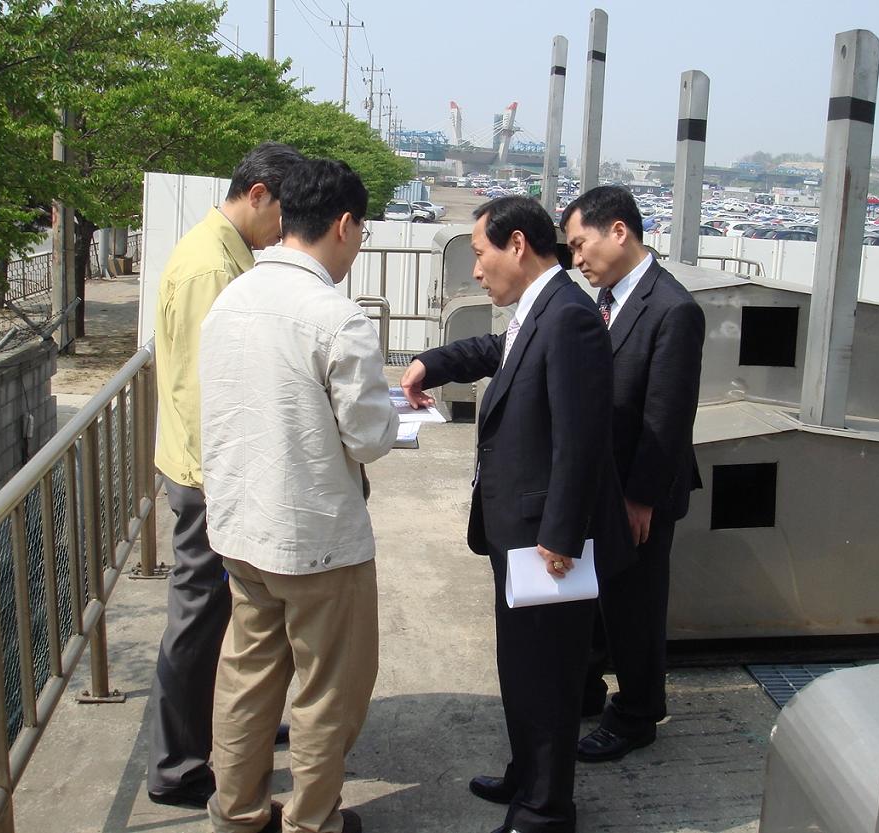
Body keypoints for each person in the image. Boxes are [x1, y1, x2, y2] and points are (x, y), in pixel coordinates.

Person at [400, 196, 631, 833]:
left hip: (545, 539)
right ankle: (526, 773)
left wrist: (560, 538)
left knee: (550, 678)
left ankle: (546, 809)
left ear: (518, 246)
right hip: (518, 531)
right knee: (521, 666)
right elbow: (500, 349)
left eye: (480, 255)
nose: (476, 272)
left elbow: (583, 442)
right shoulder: (542, 309)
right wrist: (433, 363)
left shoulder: (571, 318)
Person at [199, 158, 398, 833]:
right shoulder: (335, 317)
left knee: (247, 679)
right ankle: (313, 820)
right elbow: (369, 437)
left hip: (239, 530)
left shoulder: (230, 297)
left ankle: (238, 811)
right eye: (361, 230)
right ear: (342, 225)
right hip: (318, 542)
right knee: (327, 692)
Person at [148, 142, 306, 808]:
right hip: (207, 474)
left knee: (226, 610)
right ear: (260, 193)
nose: (285, 231)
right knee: (199, 612)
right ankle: (180, 766)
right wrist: (232, 479)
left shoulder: (225, 252)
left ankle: (233, 731)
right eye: (283, 214)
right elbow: (201, 387)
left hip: (207, 465)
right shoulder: (212, 266)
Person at [560, 186, 705, 763]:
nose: (577, 259)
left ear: (618, 231)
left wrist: (640, 498)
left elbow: (667, 417)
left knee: (635, 606)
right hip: (604, 482)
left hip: (640, 489)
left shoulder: (672, 308)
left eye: (580, 244)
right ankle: (589, 690)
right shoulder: (608, 300)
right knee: (598, 599)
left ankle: (640, 712)